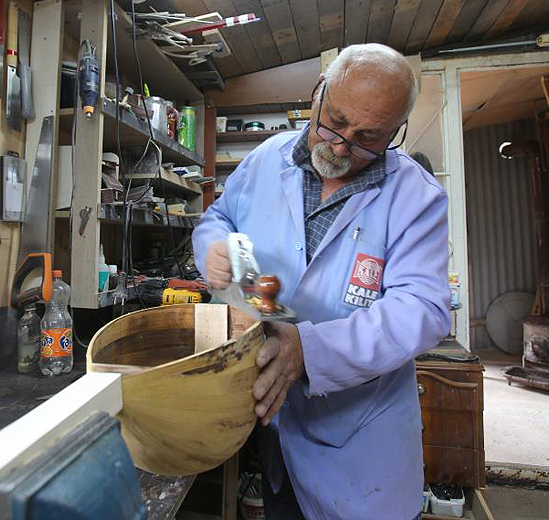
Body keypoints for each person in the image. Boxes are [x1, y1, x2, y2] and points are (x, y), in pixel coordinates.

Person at [192, 43, 451, 520]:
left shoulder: (416, 197)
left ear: (396, 131)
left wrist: (309, 349)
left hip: (360, 451)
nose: (339, 145)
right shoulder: (267, 159)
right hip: (273, 425)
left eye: (367, 138)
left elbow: (423, 309)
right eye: (332, 121)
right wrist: (214, 245)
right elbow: (219, 218)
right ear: (318, 92)